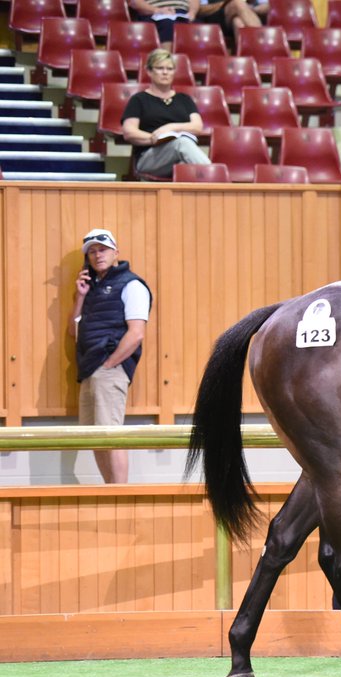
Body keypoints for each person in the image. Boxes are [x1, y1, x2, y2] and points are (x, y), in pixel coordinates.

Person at [68, 229, 152, 484]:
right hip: (89, 369)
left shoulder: (132, 285)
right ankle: (109, 490)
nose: (97, 255)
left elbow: (137, 333)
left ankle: (120, 493)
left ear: (116, 252)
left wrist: (110, 364)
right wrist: (80, 297)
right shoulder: (91, 289)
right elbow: (74, 331)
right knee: (96, 437)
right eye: (92, 252)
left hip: (108, 369)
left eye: (102, 249)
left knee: (111, 435)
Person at [121, 49, 210, 179]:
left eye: (169, 69)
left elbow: (197, 127)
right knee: (182, 143)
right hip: (150, 158)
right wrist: (155, 138)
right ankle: (218, 182)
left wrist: (171, 128)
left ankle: (213, 185)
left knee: (183, 147)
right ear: (149, 71)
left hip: (179, 155)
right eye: (160, 68)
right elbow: (129, 132)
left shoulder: (184, 99)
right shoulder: (139, 99)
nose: (165, 72)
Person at [128, 0, 196, 49]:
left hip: (182, 13)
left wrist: (192, 12)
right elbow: (134, 2)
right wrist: (157, 10)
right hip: (153, 12)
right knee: (167, 24)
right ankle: (166, 62)